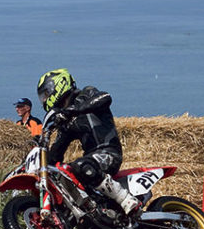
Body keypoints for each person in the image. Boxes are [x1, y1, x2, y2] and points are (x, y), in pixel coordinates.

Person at [36, 68, 140, 216]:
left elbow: (105, 97)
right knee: (65, 174)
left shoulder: (87, 94)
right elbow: (56, 152)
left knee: (81, 165)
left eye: (46, 94)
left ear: (58, 85)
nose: (45, 99)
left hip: (108, 152)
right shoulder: (66, 122)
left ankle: (125, 199)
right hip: (91, 159)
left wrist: (74, 110)